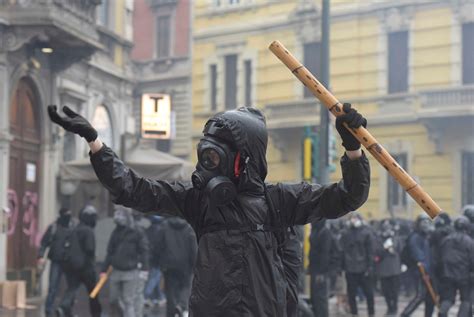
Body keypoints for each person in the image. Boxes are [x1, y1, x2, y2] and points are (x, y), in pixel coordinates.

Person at [47, 102, 370, 316]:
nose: (209, 163)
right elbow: (133, 189)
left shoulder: (280, 201)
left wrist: (352, 149)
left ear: (243, 159)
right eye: (207, 154)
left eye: (217, 156)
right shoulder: (199, 200)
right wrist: (95, 143)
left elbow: (348, 197)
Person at [101, 207, 149, 317]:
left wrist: (144, 269)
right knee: (113, 299)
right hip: (115, 271)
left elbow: (144, 251)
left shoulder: (137, 231)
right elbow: (110, 252)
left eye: (121, 215)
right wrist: (103, 270)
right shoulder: (116, 232)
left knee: (128, 300)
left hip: (131, 272)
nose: (118, 218)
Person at [56, 204, 102, 317]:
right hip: (86, 267)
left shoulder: (74, 229)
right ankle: (96, 313)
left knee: (71, 289)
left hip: (72, 266)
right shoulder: (88, 231)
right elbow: (90, 249)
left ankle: (63, 307)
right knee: (93, 291)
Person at [155, 216, 197, 317]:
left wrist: (160, 262)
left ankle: (172, 311)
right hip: (185, 266)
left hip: (169, 265)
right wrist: (195, 264)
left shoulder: (164, 226)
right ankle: (182, 306)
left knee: (170, 290)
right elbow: (193, 248)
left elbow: (158, 246)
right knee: (185, 287)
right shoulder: (189, 228)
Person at [37, 207, 74, 317]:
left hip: (69, 263)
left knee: (71, 288)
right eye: (66, 214)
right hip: (56, 262)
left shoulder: (73, 227)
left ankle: (66, 308)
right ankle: (48, 310)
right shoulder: (53, 228)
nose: (68, 217)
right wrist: (40, 256)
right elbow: (44, 243)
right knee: (53, 287)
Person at [438, 216, 474, 317]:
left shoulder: (446, 240)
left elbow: (440, 257)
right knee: (465, 299)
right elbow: (472, 259)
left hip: (447, 274)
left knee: (448, 299)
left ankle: (442, 312)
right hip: (464, 276)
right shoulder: (469, 242)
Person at [341, 212, 375, 317]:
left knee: (369, 293)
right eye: (352, 218)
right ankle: (354, 313)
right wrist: (342, 267)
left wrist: (369, 267)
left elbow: (370, 251)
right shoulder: (346, 233)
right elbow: (342, 250)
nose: (354, 220)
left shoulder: (366, 232)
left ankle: (371, 313)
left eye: (355, 218)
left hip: (364, 268)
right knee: (351, 294)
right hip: (350, 268)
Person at [400, 214, 434, 317]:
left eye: (428, 222)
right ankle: (405, 314)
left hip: (428, 271)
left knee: (430, 297)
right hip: (420, 271)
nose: (426, 224)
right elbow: (418, 256)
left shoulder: (426, 236)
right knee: (420, 295)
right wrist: (425, 271)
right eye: (423, 222)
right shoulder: (415, 237)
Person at [375, 219, 402, 316]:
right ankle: (389, 307)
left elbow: (399, 249)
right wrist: (385, 247)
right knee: (386, 291)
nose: (387, 228)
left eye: (389, 225)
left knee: (394, 291)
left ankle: (394, 307)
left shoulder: (396, 237)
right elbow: (377, 252)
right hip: (383, 268)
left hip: (395, 268)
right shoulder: (378, 238)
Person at [309, 219, 332, 317]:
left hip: (320, 271)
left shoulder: (324, 231)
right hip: (314, 269)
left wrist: (321, 272)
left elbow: (325, 254)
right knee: (314, 296)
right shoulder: (315, 229)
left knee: (320, 297)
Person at [144, 215, 166, 307]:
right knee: (154, 278)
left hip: (149, 258)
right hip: (158, 260)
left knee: (154, 278)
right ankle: (146, 296)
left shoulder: (147, 230)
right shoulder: (162, 231)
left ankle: (159, 297)